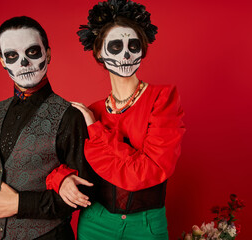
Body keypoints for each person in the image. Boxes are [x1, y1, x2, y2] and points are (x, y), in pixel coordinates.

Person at [46, 0, 186, 239]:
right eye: (115, 47)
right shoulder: (93, 111)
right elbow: (59, 162)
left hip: (146, 225)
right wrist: (61, 179)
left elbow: (148, 171)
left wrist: (97, 130)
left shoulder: (162, 99)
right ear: (99, 52)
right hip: (95, 222)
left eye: (133, 46)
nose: (125, 55)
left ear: (142, 49)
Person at [0, 16, 95, 240]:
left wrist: (20, 204)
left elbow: (84, 192)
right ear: (3, 62)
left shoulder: (69, 116)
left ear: (48, 54)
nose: (23, 63)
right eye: (12, 55)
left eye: (32, 52)